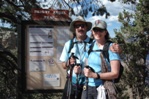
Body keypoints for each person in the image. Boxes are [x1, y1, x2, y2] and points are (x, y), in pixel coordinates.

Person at [59, 16, 121, 99]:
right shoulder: (69, 44)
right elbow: (63, 65)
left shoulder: (92, 43)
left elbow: (106, 45)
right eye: (77, 26)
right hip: (73, 83)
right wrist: (68, 63)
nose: (80, 28)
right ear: (74, 29)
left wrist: (119, 48)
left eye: (82, 26)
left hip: (89, 84)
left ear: (86, 28)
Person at [81, 19, 121, 99]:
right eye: (95, 30)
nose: (98, 33)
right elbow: (85, 65)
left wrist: (95, 75)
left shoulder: (111, 48)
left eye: (101, 30)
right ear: (92, 31)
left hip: (103, 88)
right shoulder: (90, 46)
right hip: (88, 87)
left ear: (105, 32)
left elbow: (115, 74)